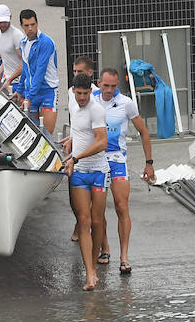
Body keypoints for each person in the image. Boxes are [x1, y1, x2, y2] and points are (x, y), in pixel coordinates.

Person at [96, 67, 154, 277]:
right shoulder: (90, 99)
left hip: (117, 160)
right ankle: (105, 249)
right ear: (99, 83)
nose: (109, 90)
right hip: (96, 160)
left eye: (113, 86)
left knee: (122, 207)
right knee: (98, 209)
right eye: (106, 85)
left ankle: (124, 256)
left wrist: (149, 163)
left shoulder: (126, 103)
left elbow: (144, 133)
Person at [63, 73, 109, 291]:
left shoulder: (97, 110)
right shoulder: (73, 104)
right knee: (84, 221)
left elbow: (102, 142)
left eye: (85, 93)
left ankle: (93, 266)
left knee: (97, 220)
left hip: (99, 170)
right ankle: (90, 274)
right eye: (78, 93)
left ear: (91, 92)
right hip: (79, 171)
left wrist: (77, 156)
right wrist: (72, 140)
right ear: (74, 91)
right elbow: (79, 131)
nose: (82, 97)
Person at [19, 8, 59, 134]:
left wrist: (29, 98)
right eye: (26, 25)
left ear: (37, 23)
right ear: (21, 26)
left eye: (33, 24)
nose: (30, 28)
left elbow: (40, 72)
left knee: (47, 136)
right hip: (32, 93)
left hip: (47, 92)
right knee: (32, 134)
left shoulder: (46, 42)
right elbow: (26, 68)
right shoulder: (23, 43)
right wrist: (19, 90)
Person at [0, 5, 26, 93]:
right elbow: (7, 57)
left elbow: (25, 62)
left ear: (10, 17)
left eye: (5, 22)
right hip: (6, 81)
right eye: (0, 22)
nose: (3, 25)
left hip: (18, 83)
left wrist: (10, 79)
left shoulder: (17, 35)